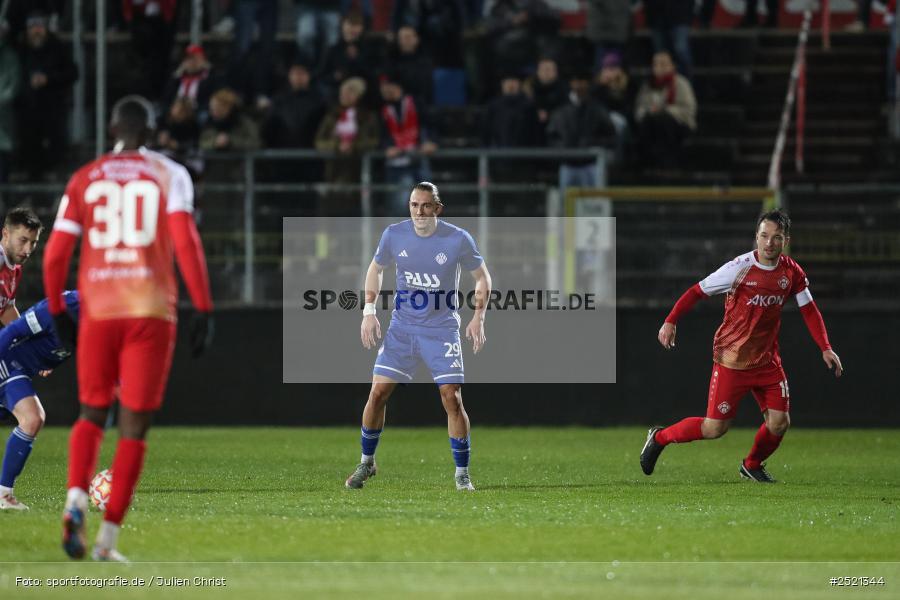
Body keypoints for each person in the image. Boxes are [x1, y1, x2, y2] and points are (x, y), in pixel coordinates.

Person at [43, 95, 214, 561]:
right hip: (150, 311)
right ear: (153, 131)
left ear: (112, 129)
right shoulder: (168, 173)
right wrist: (203, 307)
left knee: (91, 412)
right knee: (134, 425)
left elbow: (56, 254)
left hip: (98, 309)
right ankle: (107, 541)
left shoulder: (84, 177)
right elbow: (184, 239)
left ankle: (74, 501)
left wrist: (58, 310)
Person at [640, 209, 843, 483]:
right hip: (732, 360)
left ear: (786, 240)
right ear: (756, 237)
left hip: (768, 361)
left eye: (776, 237)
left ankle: (752, 465)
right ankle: (660, 437)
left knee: (780, 422)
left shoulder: (791, 271)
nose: (769, 242)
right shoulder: (739, 268)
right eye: (764, 236)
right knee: (714, 429)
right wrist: (671, 320)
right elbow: (697, 291)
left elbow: (809, 309)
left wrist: (825, 347)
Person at [345, 182, 491, 492]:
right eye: (414, 205)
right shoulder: (394, 235)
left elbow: (482, 277)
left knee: (451, 397)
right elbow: (376, 268)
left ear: (438, 208)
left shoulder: (457, 239)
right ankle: (367, 462)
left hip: (441, 331)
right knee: (378, 393)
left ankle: (461, 473)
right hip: (403, 328)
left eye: (425, 206)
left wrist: (478, 317)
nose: (419, 212)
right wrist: (368, 310)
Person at [0, 291, 79, 510]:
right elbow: (13, 330)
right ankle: (3, 495)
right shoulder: (61, 306)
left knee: (31, 420)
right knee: (32, 418)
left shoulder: (102, 317)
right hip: (8, 360)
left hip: (23, 369)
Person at [634, 51, 696, 169]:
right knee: (648, 121)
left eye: (663, 64)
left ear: (672, 66)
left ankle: (669, 164)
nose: (659, 68)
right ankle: (647, 164)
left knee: (662, 120)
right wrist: (649, 111)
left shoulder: (681, 83)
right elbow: (639, 108)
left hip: (677, 124)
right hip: (652, 122)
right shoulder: (647, 85)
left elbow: (688, 110)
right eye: (656, 64)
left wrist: (665, 110)